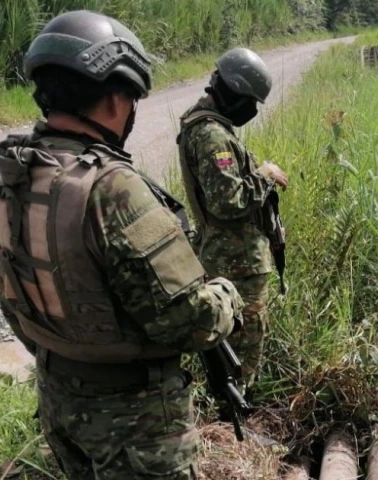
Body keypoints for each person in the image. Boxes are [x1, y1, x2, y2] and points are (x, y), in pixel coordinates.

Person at [0, 11, 244, 479]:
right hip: (135, 423)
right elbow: (191, 323)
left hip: (59, 399)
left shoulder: (17, 172)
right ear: (116, 97)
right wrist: (225, 294)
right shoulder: (111, 188)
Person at [177, 48, 288, 394]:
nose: (251, 110)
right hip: (235, 261)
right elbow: (227, 202)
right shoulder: (212, 135)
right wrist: (265, 175)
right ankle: (235, 417)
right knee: (244, 342)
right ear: (234, 91)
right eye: (250, 100)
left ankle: (230, 407)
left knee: (231, 341)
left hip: (228, 256)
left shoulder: (202, 123)